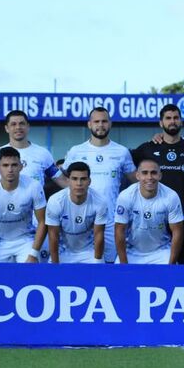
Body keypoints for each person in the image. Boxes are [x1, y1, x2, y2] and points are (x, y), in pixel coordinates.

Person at [0, 110, 65, 262]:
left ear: (28, 126)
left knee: (35, 275)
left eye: (22, 123)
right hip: (2, 231)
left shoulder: (42, 154)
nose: (18, 127)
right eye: (13, 124)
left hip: (35, 229)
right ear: (7, 128)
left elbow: (63, 183)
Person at [132, 104, 184, 264]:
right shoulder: (148, 148)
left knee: (180, 261)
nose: (172, 121)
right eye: (168, 118)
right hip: (153, 214)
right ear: (161, 123)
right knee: (154, 259)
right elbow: (127, 167)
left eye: (176, 118)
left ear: (180, 121)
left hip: (183, 214)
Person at [63, 107, 137, 263]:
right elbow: (65, 180)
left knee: (108, 264)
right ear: (89, 124)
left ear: (110, 124)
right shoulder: (76, 151)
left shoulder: (122, 152)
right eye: (96, 121)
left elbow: (136, 183)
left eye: (104, 121)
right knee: (81, 263)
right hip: (80, 218)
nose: (100, 125)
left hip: (111, 220)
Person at [0, 147, 47, 263]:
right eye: (5, 165)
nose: (10, 169)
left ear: (21, 167)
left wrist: (33, 254)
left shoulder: (34, 186)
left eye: (14, 165)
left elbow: (42, 221)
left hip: (25, 240)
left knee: (32, 274)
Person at [115, 158, 183, 264]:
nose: (149, 177)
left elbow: (177, 231)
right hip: (132, 251)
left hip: (161, 251)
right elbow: (119, 231)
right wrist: (124, 265)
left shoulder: (171, 196)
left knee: (170, 278)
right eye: (145, 173)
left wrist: (171, 265)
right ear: (137, 176)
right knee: (119, 277)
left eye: (154, 173)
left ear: (160, 175)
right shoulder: (125, 196)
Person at [46, 162, 109, 263]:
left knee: (99, 274)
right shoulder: (55, 201)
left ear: (89, 181)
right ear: (68, 181)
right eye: (74, 179)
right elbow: (53, 235)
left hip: (89, 252)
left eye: (83, 179)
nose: (79, 183)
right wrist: (55, 265)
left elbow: (99, 234)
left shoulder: (100, 201)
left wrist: (97, 261)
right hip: (63, 251)